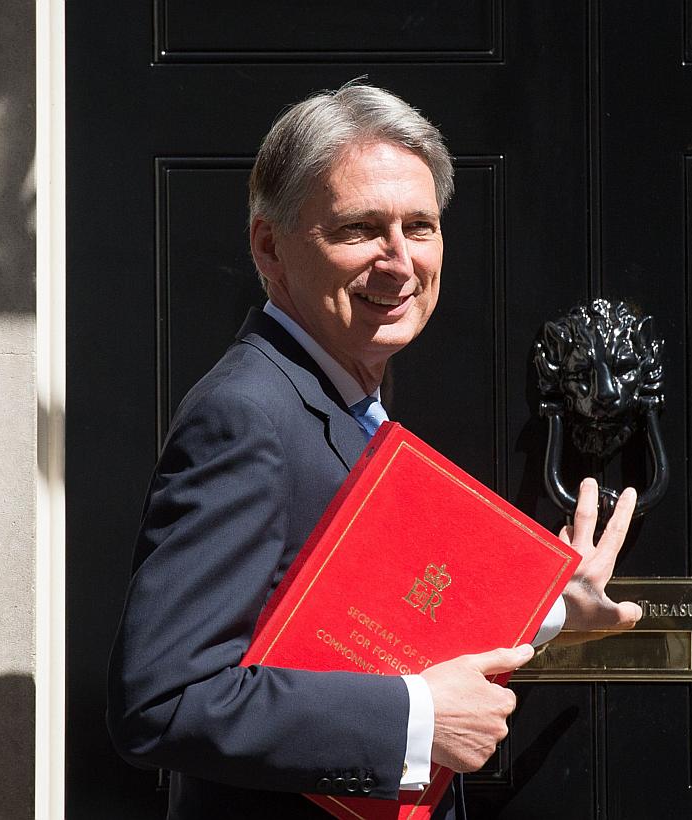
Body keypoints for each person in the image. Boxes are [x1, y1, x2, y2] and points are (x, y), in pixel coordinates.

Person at [106, 80, 641, 819]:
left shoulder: (344, 396)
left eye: (419, 227)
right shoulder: (245, 416)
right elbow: (163, 701)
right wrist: (416, 721)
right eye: (360, 230)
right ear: (270, 246)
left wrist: (544, 611)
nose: (399, 263)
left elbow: (358, 629)